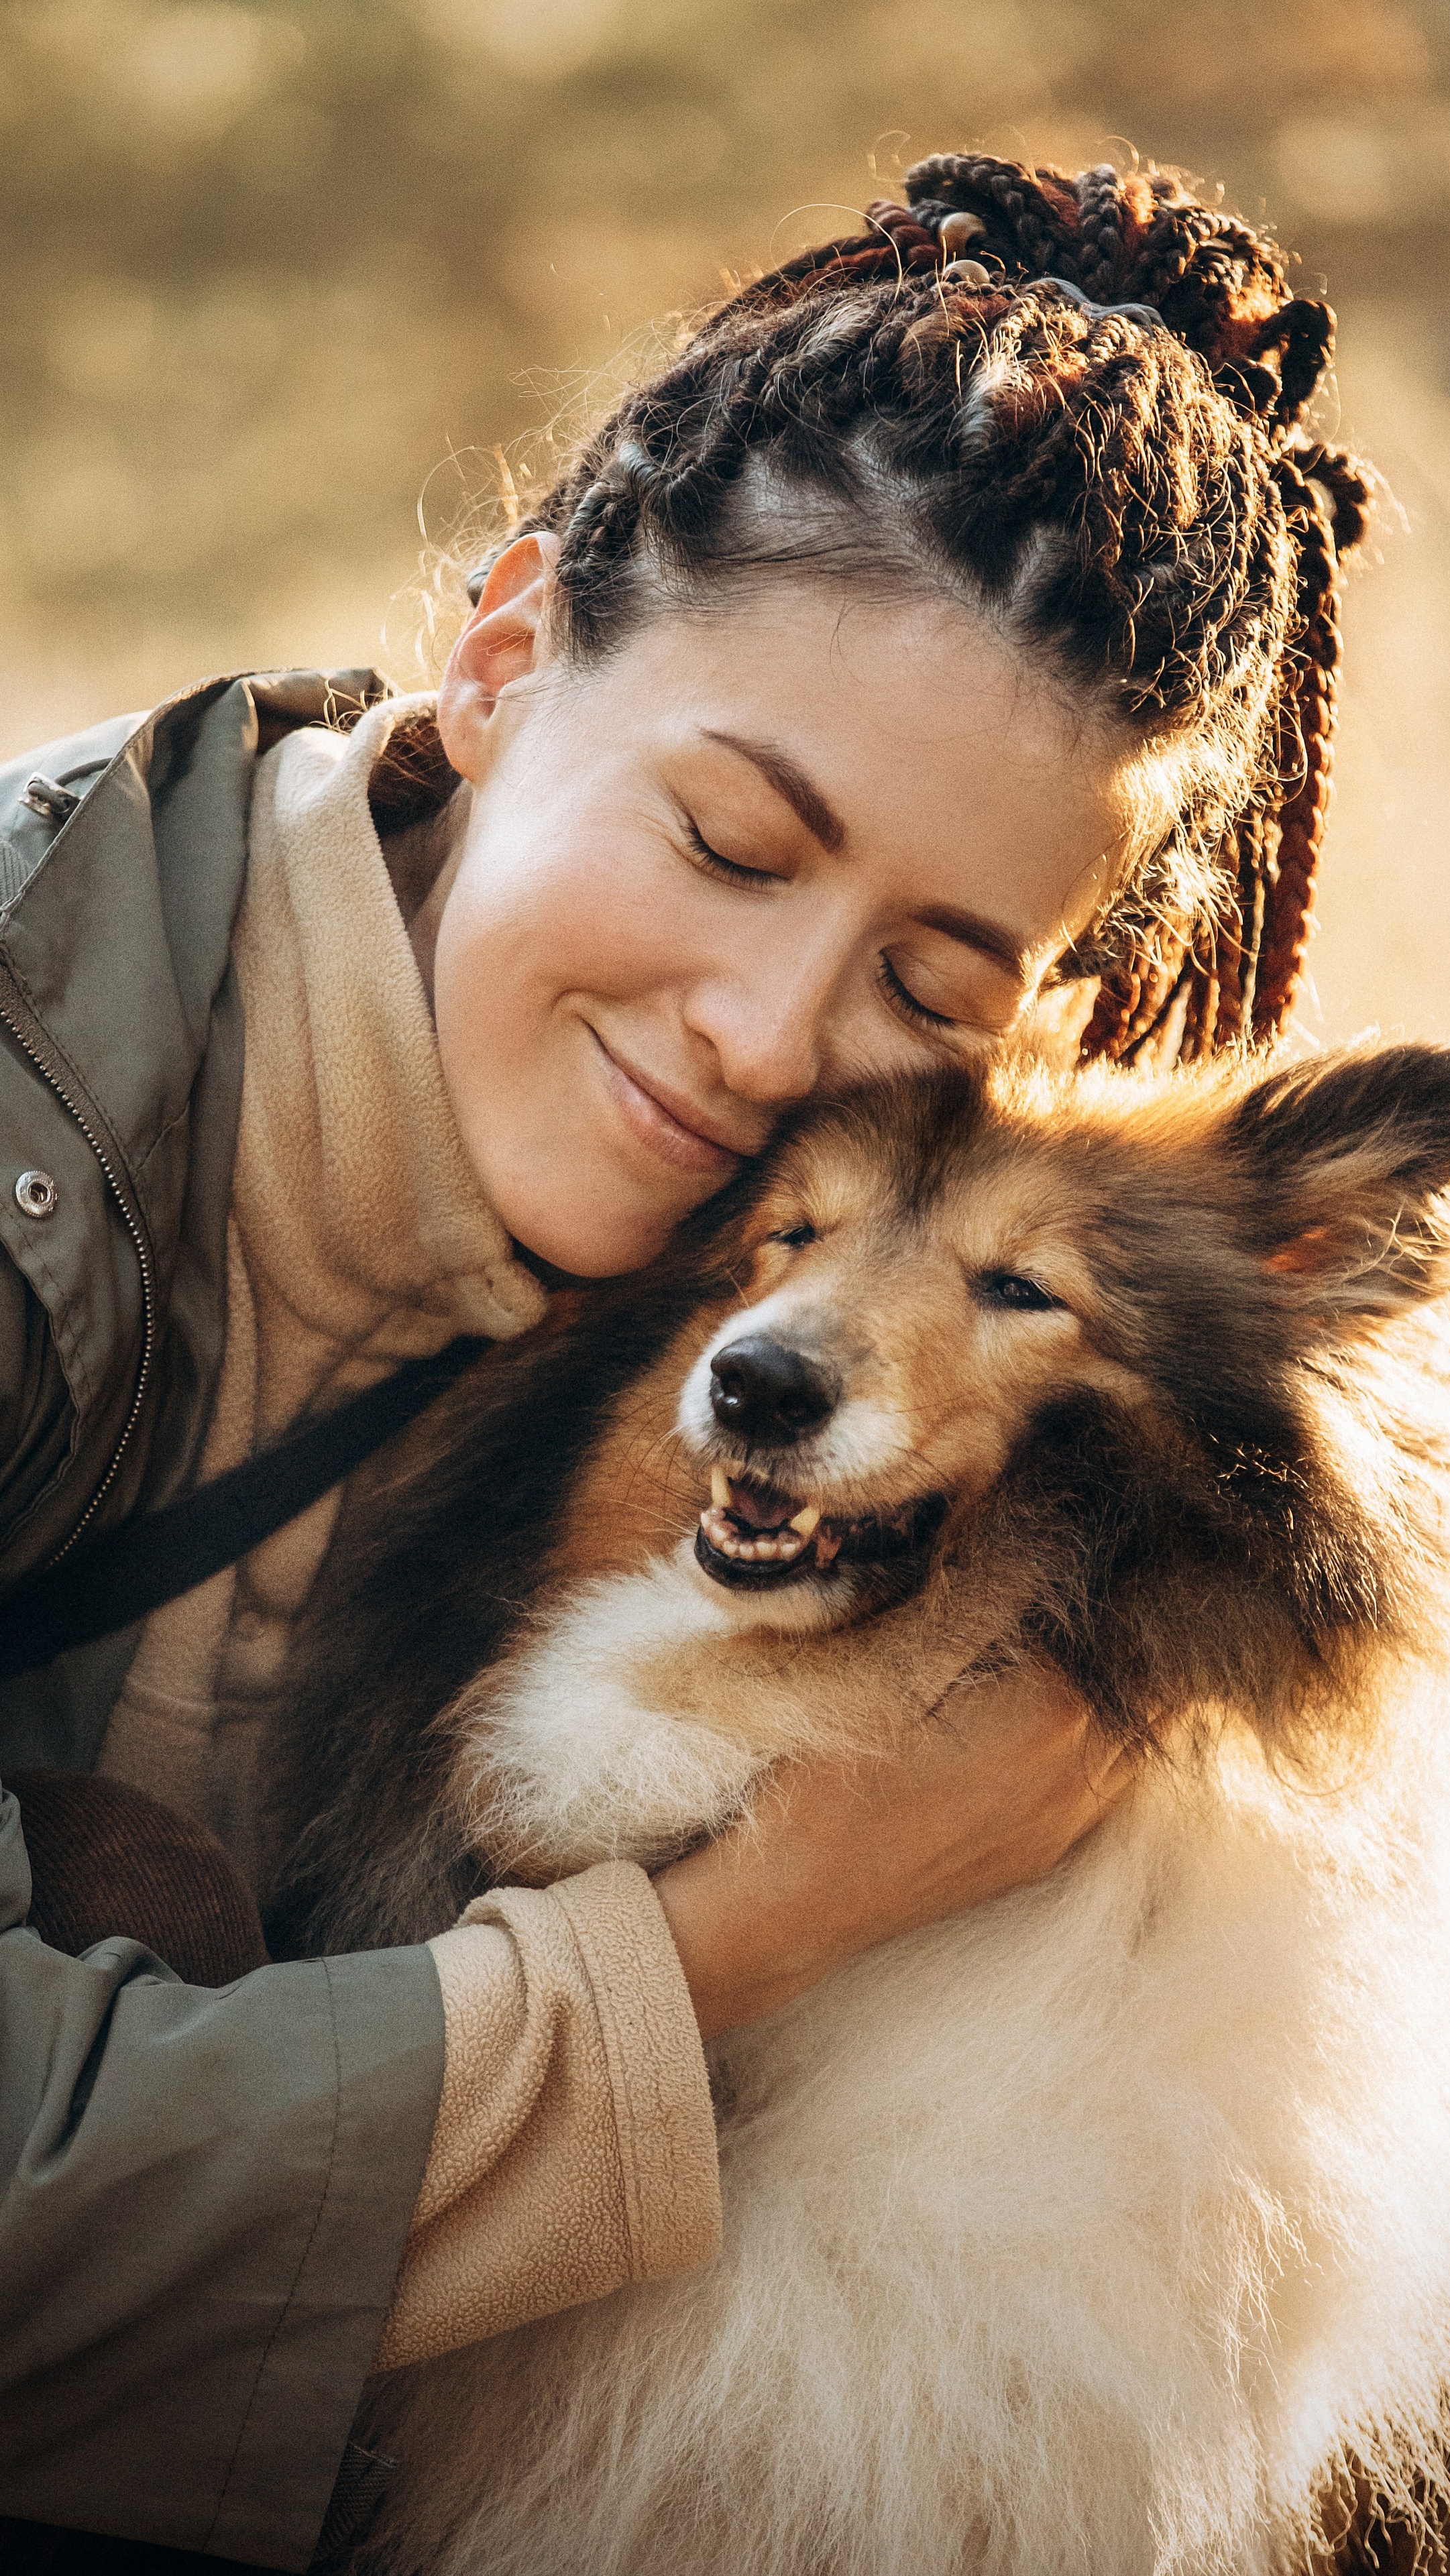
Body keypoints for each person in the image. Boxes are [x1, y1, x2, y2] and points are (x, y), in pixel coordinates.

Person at [0, 152, 1370, 2568]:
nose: (765, 1038)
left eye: (929, 982)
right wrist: (741, 1938)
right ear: (507, 652)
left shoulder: (789, 1285)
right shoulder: (42, 1074)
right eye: (734, 843)